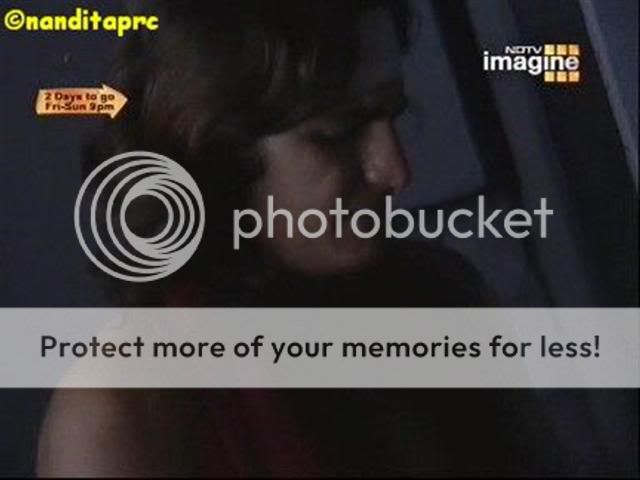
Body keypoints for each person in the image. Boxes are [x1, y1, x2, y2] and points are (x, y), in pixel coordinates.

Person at [37, 1, 499, 476]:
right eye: (337, 134)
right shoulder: (123, 412)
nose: (396, 172)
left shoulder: (440, 299)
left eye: (394, 117)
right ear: (215, 156)